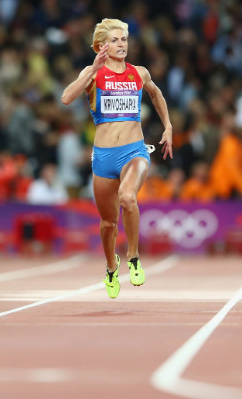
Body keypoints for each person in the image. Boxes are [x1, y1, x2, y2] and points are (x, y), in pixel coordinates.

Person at [61, 18, 173, 298]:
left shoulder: (139, 73)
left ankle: (133, 257)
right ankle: (112, 265)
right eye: (115, 40)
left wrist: (168, 126)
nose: (121, 44)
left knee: (128, 197)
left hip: (134, 150)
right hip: (103, 156)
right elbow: (66, 98)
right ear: (101, 46)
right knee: (108, 223)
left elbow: (156, 94)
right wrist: (92, 71)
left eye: (124, 39)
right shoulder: (93, 73)